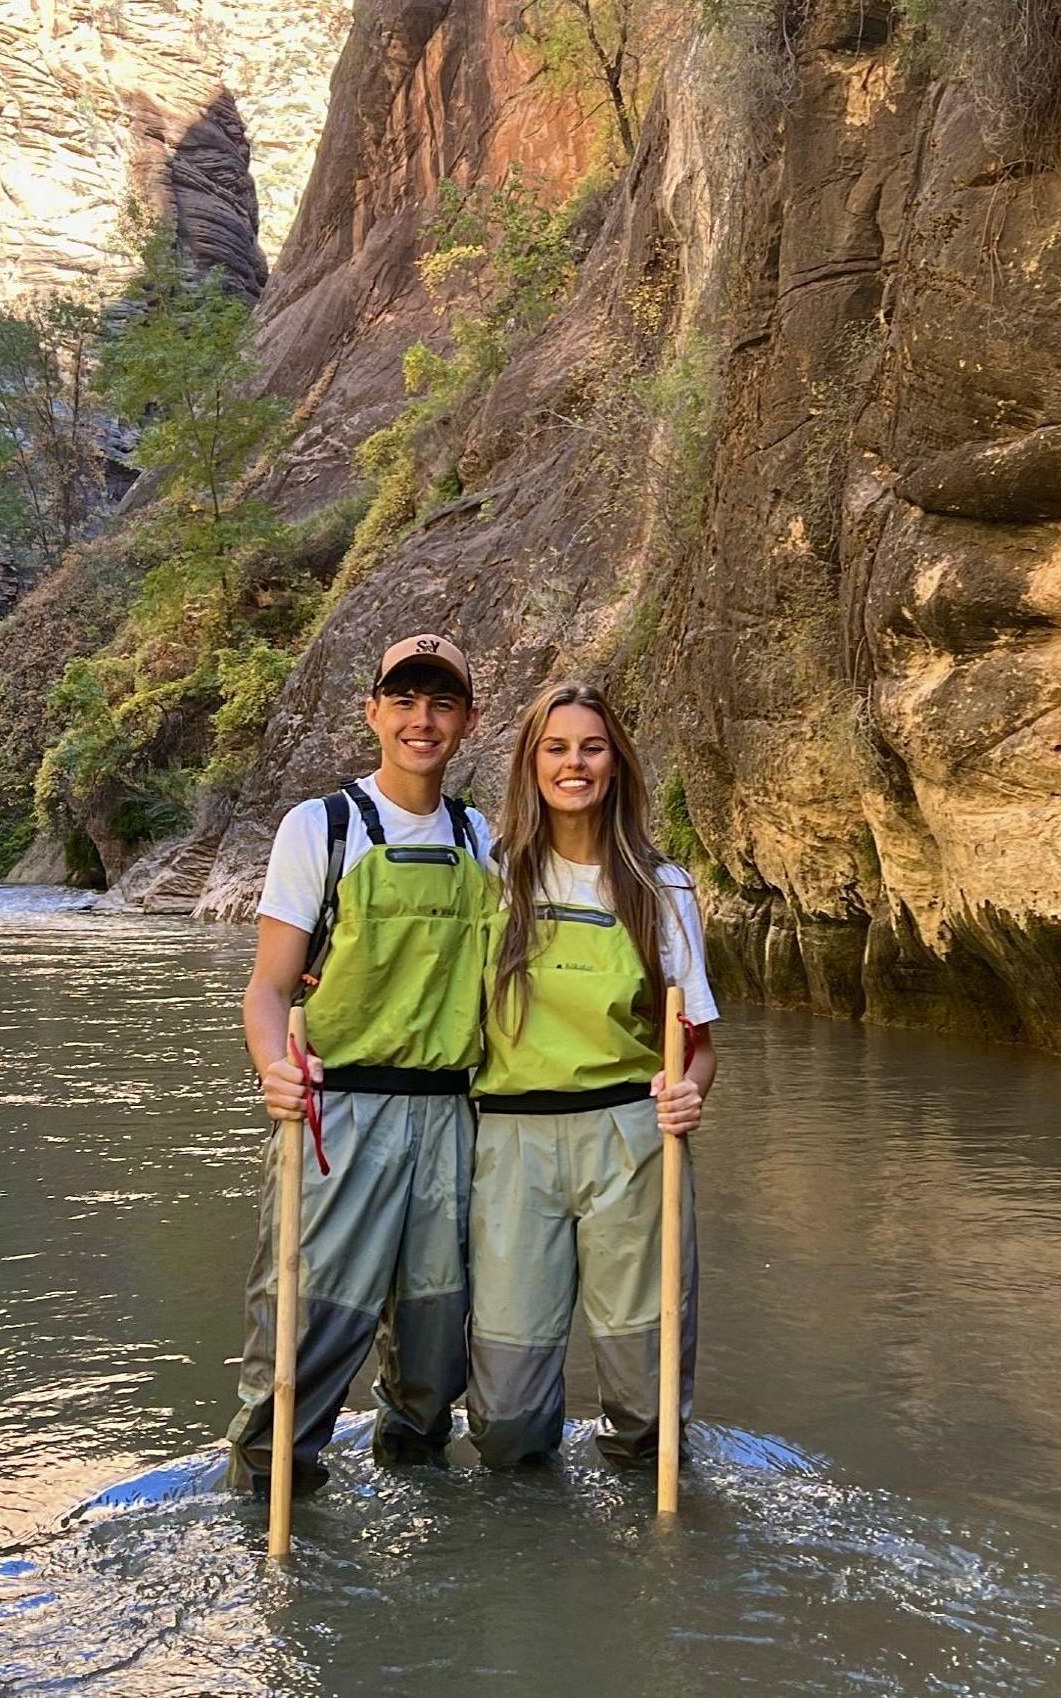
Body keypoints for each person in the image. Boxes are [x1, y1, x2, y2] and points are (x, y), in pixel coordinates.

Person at [226, 631, 498, 1497]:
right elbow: (268, 991)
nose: (423, 720)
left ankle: (418, 1529)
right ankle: (269, 1510)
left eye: (442, 702)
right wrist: (275, 1068)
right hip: (335, 1116)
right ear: (373, 712)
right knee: (303, 1343)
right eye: (405, 700)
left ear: (467, 721)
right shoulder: (322, 827)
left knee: (434, 1356)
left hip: (454, 1116)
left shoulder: (479, 834)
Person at [466, 679, 719, 1470]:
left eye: (592, 747)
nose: (574, 763)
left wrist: (689, 1093)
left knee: (648, 1411)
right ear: (530, 764)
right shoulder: (491, 878)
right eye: (557, 748)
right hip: (510, 1144)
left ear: (616, 764)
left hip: (631, 1142)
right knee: (505, 1421)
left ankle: (641, 1570)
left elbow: (698, 1042)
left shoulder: (661, 887)